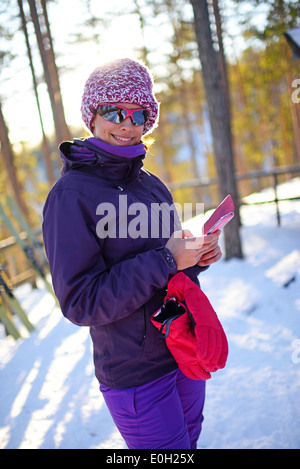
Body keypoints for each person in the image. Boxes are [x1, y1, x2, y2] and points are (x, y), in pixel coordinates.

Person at [42, 58, 222, 449]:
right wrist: (168, 259)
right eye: (113, 111)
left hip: (183, 349)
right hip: (136, 372)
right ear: (92, 117)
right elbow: (80, 302)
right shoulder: (71, 196)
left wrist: (196, 257)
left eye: (138, 113)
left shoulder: (151, 185)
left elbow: (169, 265)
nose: (126, 123)